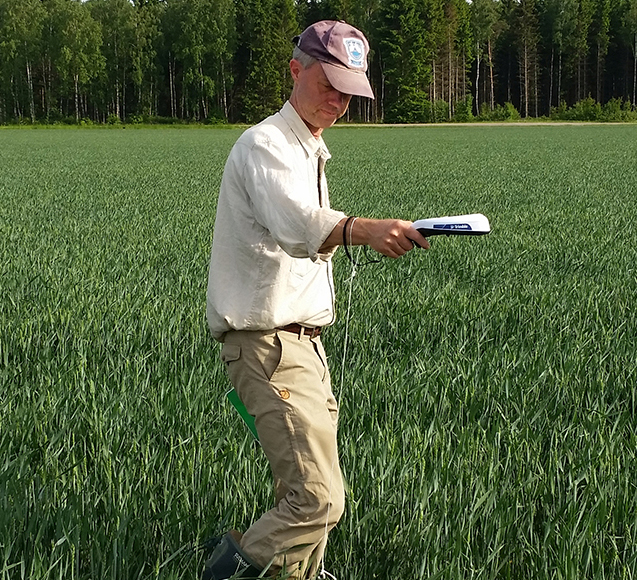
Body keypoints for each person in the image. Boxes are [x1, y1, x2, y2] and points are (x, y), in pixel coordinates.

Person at [203, 20, 429, 580]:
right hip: (269, 345)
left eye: (349, 90)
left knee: (305, 491)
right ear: (296, 70)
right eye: (330, 84)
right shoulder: (267, 145)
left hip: (299, 346)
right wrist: (364, 229)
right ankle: (224, 573)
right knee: (319, 499)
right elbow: (296, 225)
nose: (339, 101)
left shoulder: (309, 149)